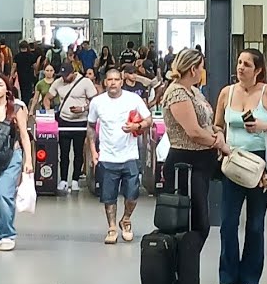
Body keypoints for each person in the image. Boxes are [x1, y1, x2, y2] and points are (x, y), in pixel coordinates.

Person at [212, 49, 267, 284]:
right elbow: (218, 125)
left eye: (247, 64)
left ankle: (251, 278)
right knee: (228, 223)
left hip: (260, 164)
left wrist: (263, 126)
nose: (241, 68)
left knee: (255, 223)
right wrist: (220, 140)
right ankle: (228, 277)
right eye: (239, 63)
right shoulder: (226, 92)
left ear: (258, 70)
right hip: (233, 160)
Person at [160, 48, 225, 240]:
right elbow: (194, 132)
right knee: (193, 222)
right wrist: (218, 144)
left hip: (203, 161)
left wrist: (218, 133)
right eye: (201, 67)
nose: (203, 72)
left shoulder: (194, 92)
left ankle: (190, 257)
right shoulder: (177, 93)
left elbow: (206, 123)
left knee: (199, 219)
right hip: (186, 162)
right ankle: (182, 256)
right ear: (193, 69)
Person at [87, 67, 152, 245]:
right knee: (109, 196)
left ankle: (126, 219)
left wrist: (137, 127)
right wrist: (93, 151)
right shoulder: (97, 102)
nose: (113, 83)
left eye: (116, 80)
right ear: (105, 82)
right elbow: (91, 127)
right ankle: (112, 227)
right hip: (107, 156)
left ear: (121, 82)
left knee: (132, 195)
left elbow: (148, 119)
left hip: (130, 155)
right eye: (110, 80)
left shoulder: (133, 99)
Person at [0, 74, 32, 251]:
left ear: (7, 89)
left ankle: (7, 235)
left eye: (0, 84)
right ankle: (0, 233)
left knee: (3, 195)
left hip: (11, 156)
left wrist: (28, 160)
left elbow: (24, 135)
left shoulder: (16, 108)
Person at [50, 63, 98, 194]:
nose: (64, 78)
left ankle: (75, 179)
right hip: (64, 121)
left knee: (78, 152)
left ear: (73, 72)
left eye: (67, 75)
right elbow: (48, 97)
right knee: (64, 152)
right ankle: (63, 179)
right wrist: (49, 111)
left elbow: (95, 101)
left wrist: (83, 109)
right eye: (62, 75)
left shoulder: (85, 82)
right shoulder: (58, 82)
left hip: (80, 122)